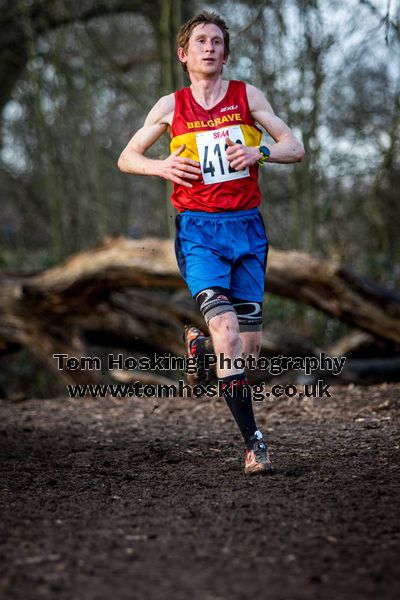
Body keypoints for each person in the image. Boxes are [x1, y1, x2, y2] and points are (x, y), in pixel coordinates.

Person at [118, 10, 304, 474]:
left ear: (225, 53)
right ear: (184, 54)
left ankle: (200, 349)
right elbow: (127, 157)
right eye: (200, 41)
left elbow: (294, 147)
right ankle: (254, 444)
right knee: (229, 333)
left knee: (248, 345)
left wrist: (259, 150)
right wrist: (160, 167)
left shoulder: (247, 96)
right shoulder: (170, 106)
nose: (209, 48)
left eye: (217, 42)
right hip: (198, 229)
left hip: (247, 229)